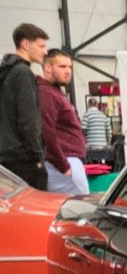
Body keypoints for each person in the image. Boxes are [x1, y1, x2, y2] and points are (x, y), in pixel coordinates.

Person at [0, 23, 48, 190]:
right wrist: (38, 157)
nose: (45, 51)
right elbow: (28, 121)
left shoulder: (6, 73)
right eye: (41, 46)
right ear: (26, 44)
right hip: (24, 161)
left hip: (6, 161)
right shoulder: (23, 73)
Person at [39, 49, 87, 194]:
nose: (68, 71)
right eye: (62, 67)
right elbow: (47, 131)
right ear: (47, 67)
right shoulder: (46, 93)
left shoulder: (55, 92)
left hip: (67, 162)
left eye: (70, 67)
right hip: (63, 163)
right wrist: (64, 166)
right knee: (80, 210)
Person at [82, 97, 112, 163]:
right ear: (97, 105)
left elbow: (82, 131)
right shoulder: (103, 116)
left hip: (90, 147)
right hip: (103, 146)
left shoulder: (86, 115)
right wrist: (108, 143)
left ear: (88, 105)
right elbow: (109, 132)